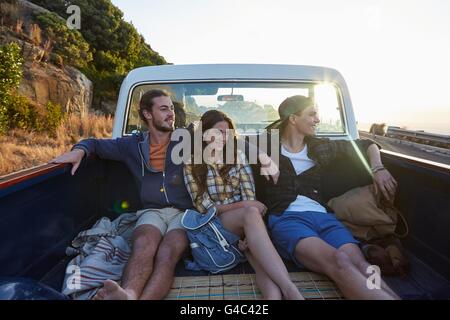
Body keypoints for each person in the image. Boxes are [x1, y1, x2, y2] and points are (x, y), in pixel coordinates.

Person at [51, 89, 194, 300]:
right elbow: (94, 144)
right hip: (151, 211)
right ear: (147, 114)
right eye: (163, 109)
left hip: (184, 213)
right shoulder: (132, 145)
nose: (171, 113)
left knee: (167, 254)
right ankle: (128, 295)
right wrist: (79, 150)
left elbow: (225, 140)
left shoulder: (188, 139)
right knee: (144, 245)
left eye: (171, 108)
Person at [262, 95, 400, 300]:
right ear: (293, 119)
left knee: (363, 264)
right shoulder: (267, 144)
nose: (318, 119)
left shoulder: (321, 146)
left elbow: (367, 144)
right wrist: (261, 155)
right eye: (312, 114)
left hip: (325, 218)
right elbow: (231, 144)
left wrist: (378, 168)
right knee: (339, 261)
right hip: (288, 219)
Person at [183, 110, 304, 300]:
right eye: (218, 132)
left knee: (264, 267)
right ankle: (292, 291)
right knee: (250, 213)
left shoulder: (237, 157)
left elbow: (251, 196)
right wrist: (246, 205)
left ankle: (281, 293)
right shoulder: (191, 162)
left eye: (227, 133)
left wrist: (249, 224)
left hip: (247, 223)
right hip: (214, 226)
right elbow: (204, 207)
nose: (224, 137)